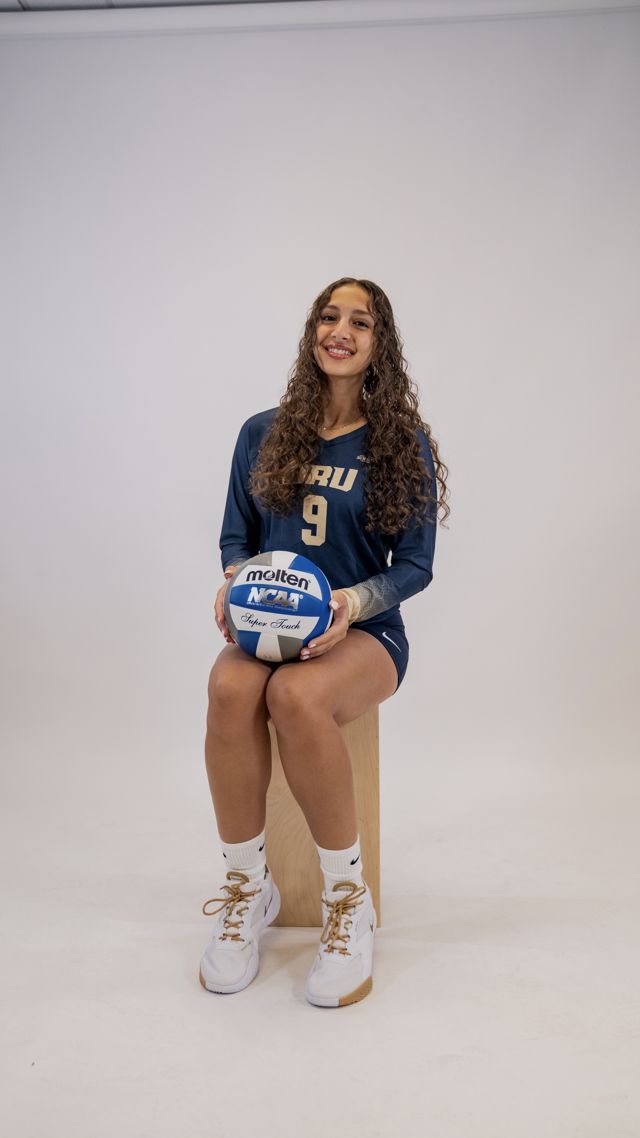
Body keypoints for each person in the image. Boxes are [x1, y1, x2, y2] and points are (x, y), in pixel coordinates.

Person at [199, 276, 449, 1007]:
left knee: (297, 697)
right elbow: (236, 536)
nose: (341, 330)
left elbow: (415, 566)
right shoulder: (262, 432)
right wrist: (236, 583)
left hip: (365, 630)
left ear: (380, 345)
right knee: (229, 687)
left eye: (360, 322)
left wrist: (348, 603)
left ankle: (348, 901)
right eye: (329, 316)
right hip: (271, 621)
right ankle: (249, 888)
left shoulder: (402, 443)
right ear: (313, 332)